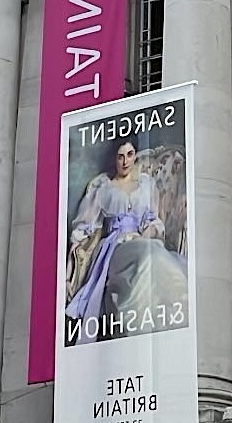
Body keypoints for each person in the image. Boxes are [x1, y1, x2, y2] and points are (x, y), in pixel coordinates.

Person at [64, 138, 188, 342]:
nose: (125, 161)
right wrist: (68, 276)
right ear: (115, 158)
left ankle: (169, 330)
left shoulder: (146, 185)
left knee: (155, 257)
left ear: (135, 156)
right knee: (147, 258)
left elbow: (154, 221)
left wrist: (143, 236)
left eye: (130, 155)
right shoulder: (103, 189)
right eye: (120, 156)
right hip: (115, 246)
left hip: (142, 241)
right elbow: (83, 230)